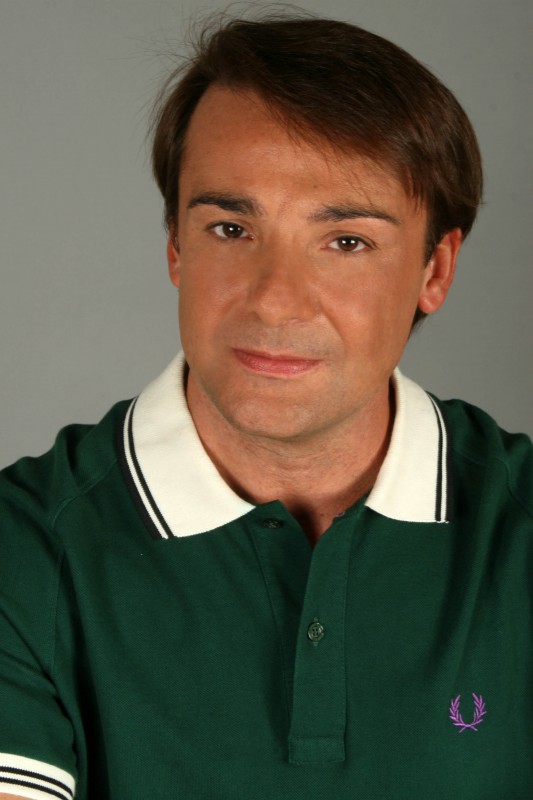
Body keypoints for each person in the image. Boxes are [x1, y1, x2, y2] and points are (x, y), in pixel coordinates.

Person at [0, 13, 531, 800]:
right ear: (176, 246)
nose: (275, 300)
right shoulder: (21, 550)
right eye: (230, 227)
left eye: (345, 241)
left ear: (434, 269)